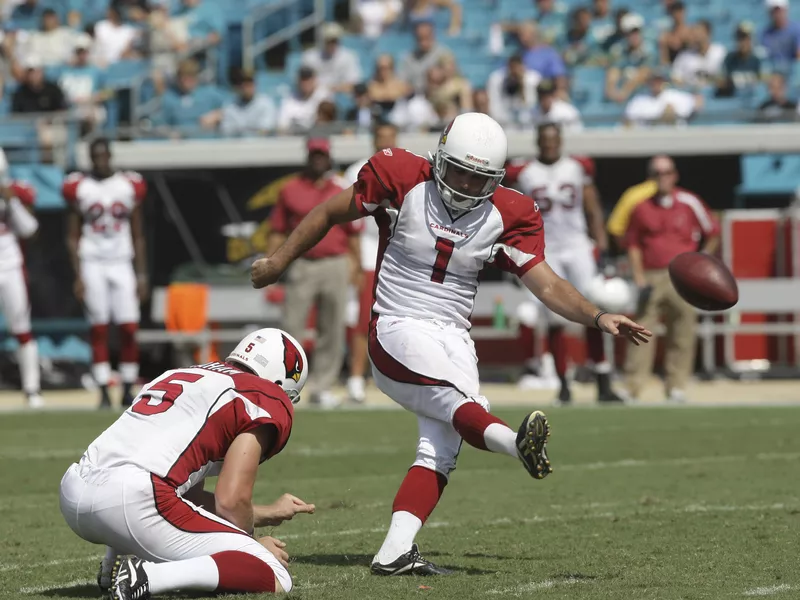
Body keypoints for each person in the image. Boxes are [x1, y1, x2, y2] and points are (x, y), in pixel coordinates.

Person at [251, 112, 651, 574]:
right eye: (458, 169)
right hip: (396, 324)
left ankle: (395, 552)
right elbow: (326, 212)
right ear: (439, 156)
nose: (464, 183)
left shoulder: (509, 212)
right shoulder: (401, 177)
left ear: (496, 178)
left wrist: (599, 317)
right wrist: (279, 262)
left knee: (442, 444)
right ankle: (514, 442)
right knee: (459, 405)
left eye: (478, 176)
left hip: (454, 334)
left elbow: (547, 286)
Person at [59, 328, 315, 599]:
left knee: (154, 491)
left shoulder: (182, 374)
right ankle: (148, 576)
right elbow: (231, 500)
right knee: (273, 571)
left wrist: (264, 512)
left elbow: (188, 500)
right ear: (280, 381)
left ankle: (113, 559)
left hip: (75, 489)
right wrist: (250, 544)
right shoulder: (265, 395)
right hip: (134, 501)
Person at [511, 124, 623, 404]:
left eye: (554, 140)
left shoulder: (575, 167)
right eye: (545, 140)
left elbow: (592, 206)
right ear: (538, 141)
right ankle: (563, 383)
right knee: (555, 316)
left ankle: (602, 379)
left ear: (560, 141)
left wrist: (603, 245)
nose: (550, 145)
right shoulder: (525, 173)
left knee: (594, 310)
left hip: (577, 246)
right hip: (547, 249)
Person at [268, 138, 362, 408]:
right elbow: (277, 229)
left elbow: (353, 233)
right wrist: (272, 263)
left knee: (331, 328)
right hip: (302, 264)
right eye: (314, 155)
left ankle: (322, 386)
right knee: (292, 328)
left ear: (329, 157)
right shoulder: (290, 189)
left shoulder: (340, 189)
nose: (318, 159)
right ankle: (285, 387)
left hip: (335, 263)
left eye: (322, 155)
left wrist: (355, 265)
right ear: (308, 157)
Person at [624, 155, 720, 402]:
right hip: (652, 274)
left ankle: (676, 386)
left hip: (683, 277)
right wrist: (638, 276)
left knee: (683, 331)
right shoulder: (641, 207)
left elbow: (712, 232)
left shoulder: (689, 202)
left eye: (667, 172)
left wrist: (699, 265)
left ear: (675, 175)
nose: (663, 177)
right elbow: (633, 243)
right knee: (641, 331)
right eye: (658, 173)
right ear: (651, 177)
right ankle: (633, 386)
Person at [63, 138, 148, 409]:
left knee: (129, 327)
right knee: (98, 327)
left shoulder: (128, 185)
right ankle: (102, 388)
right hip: (93, 261)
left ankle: (126, 386)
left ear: (110, 156)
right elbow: (72, 235)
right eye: (95, 155)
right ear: (90, 157)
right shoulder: (80, 187)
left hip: (122, 260)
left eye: (103, 155)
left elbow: (138, 233)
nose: (100, 160)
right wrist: (77, 275)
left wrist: (142, 274)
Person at [342, 121, 398, 403]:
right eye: (381, 138)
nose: (385, 143)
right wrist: (353, 259)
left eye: (390, 138)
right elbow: (349, 221)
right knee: (364, 320)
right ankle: (355, 377)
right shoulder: (357, 171)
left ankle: (392, 379)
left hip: (398, 255)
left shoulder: (406, 170)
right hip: (368, 252)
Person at [0, 150, 42, 408]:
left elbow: (30, 229)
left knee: (22, 328)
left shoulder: (14, 192)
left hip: (11, 265)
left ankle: (32, 389)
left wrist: (11, 202)